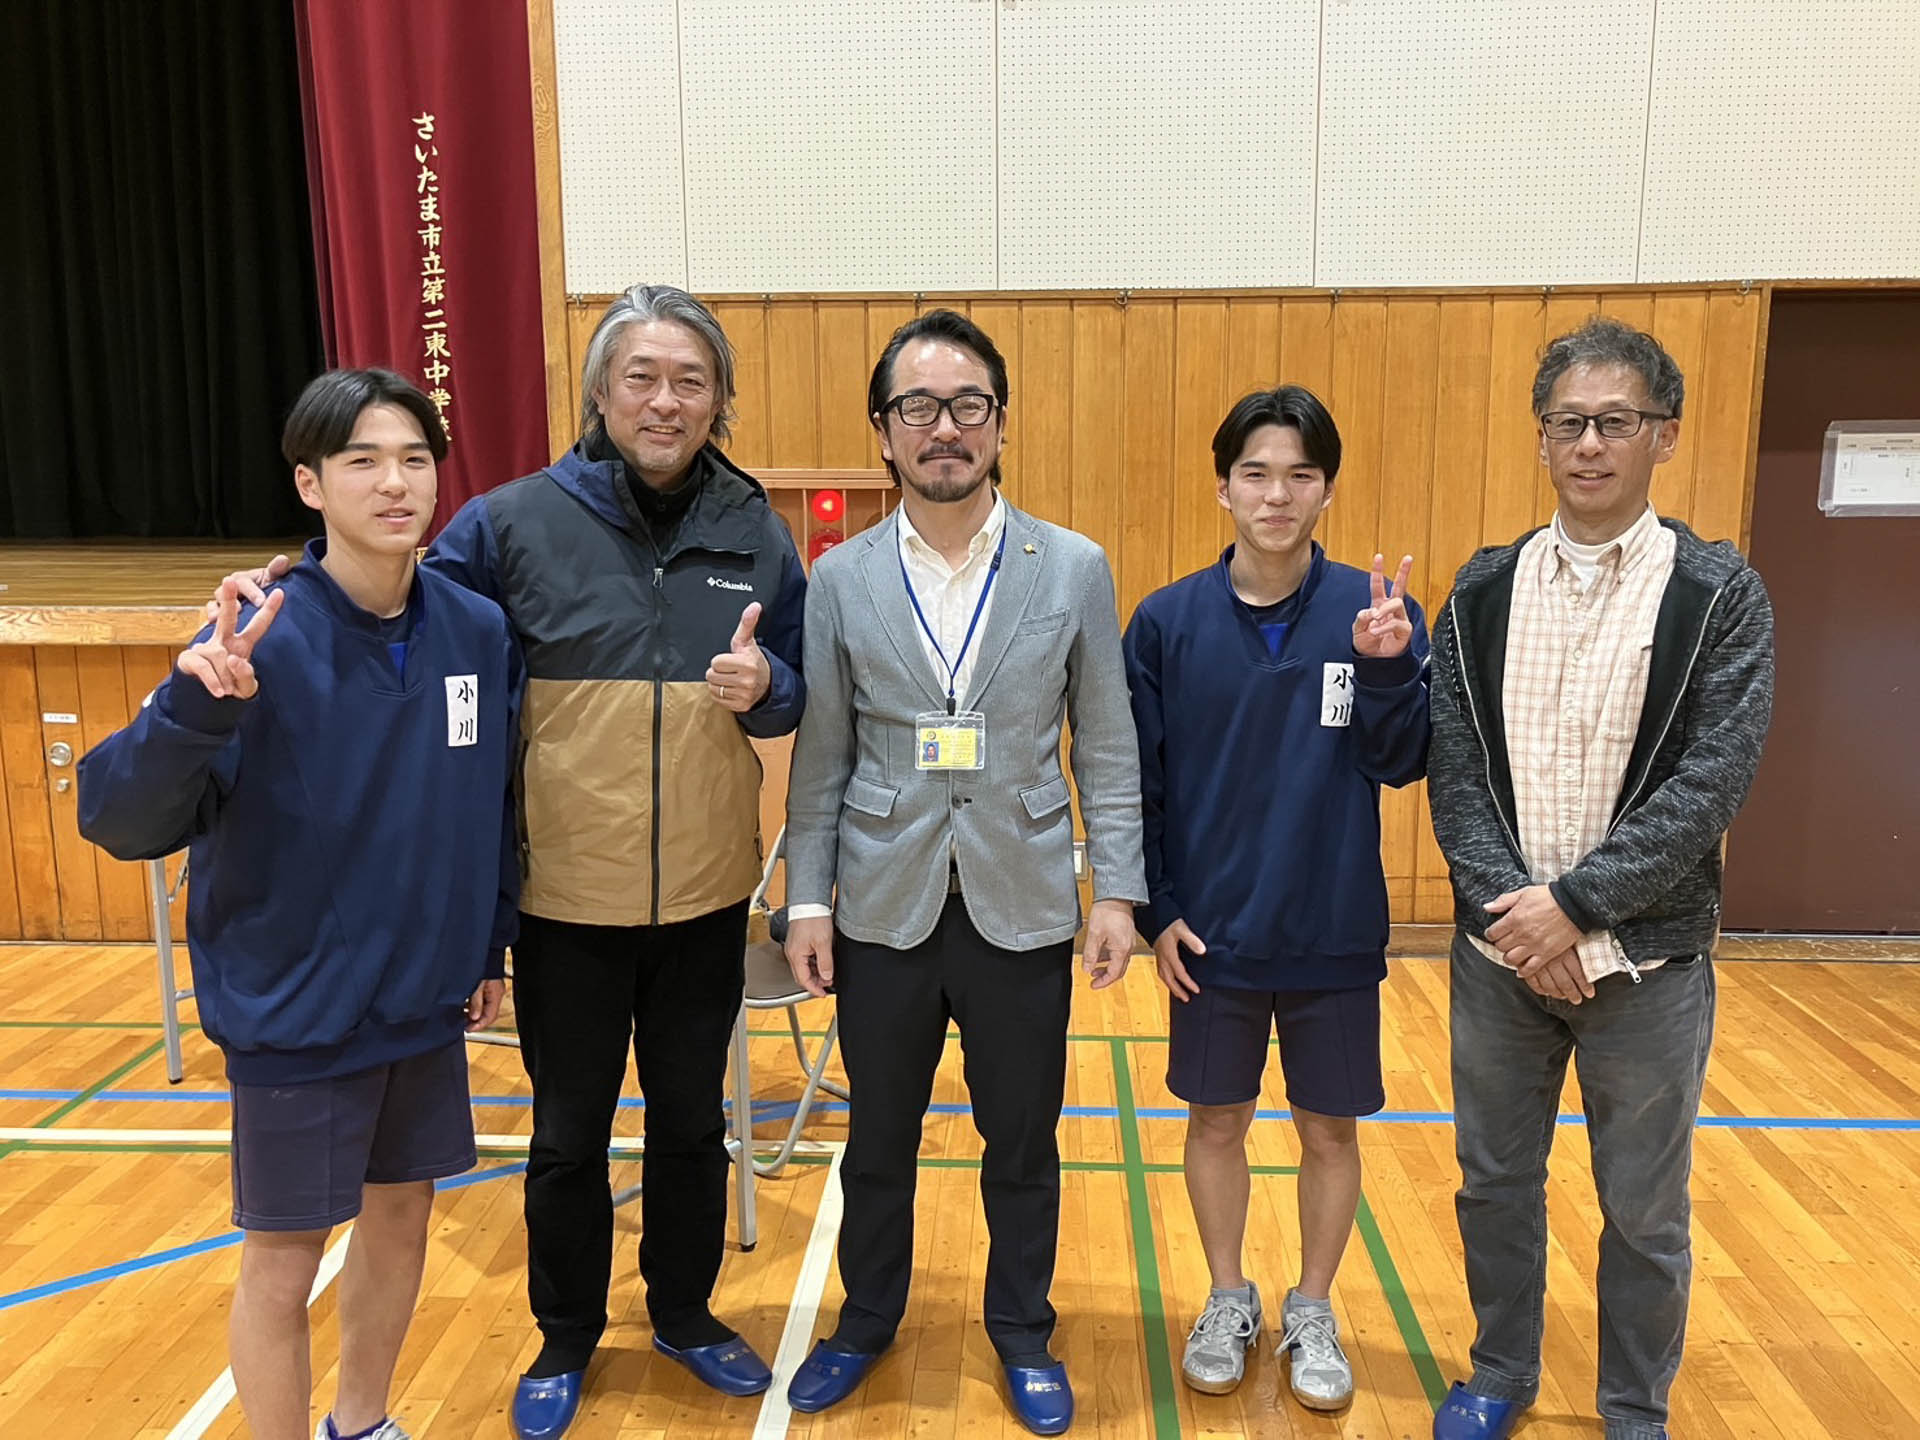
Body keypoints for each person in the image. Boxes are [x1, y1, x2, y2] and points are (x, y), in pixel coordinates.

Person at [217, 286, 808, 1439]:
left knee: (693, 1124)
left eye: (690, 380)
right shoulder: (511, 523)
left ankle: (685, 1314)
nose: (666, 400)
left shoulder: (756, 530)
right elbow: (397, 615)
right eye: (641, 376)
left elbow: (795, 684)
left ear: (720, 402)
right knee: (567, 1132)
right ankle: (567, 1334)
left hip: (704, 895)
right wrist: (279, 593)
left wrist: (768, 686)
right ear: (600, 392)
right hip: (561, 899)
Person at [77, 369, 518, 1440]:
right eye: (363, 461)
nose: (395, 482)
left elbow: (490, 806)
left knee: (402, 1215)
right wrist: (192, 705)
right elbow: (116, 818)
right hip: (297, 1005)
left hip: (421, 1001)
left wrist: (487, 947)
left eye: (413, 459)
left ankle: (360, 1422)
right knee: (283, 1258)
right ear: (311, 484)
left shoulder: (474, 629)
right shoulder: (257, 634)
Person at [779, 309, 1147, 1435]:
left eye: (967, 405)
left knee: (1022, 1140)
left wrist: (1117, 891)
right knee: (878, 1138)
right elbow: (824, 754)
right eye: (919, 408)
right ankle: (865, 1320)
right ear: (884, 430)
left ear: (1000, 420)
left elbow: (1107, 742)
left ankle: (1023, 1329)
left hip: (1021, 897)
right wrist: (807, 897)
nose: (945, 427)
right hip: (881, 899)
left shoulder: (1072, 565)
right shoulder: (839, 578)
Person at [1426, 317, 1774, 1440]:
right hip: (1500, 962)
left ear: (1663, 436)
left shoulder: (1719, 594)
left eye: (1615, 422)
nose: (1589, 444)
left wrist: (1574, 910)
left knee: (1644, 1211)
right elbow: (1457, 770)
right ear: (1541, 437)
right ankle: (1499, 1373)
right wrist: (1521, 923)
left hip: (1647, 967)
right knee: (1493, 1185)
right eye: (1568, 422)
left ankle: (1634, 1409)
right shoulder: (1481, 590)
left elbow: (1711, 783)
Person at [1123, 385, 1430, 1410]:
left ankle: (1312, 1305)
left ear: (1326, 489)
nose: (1277, 494)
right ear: (1223, 488)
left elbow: (1401, 761)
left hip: (1331, 925)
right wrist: (1158, 911)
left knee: (1329, 1132)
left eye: (1300, 474)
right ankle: (1227, 1296)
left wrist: (1386, 670)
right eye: (1255, 473)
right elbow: (1137, 780)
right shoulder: (1165, 621)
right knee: (1215, 1122)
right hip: (1210, 933)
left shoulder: (1374, 613)